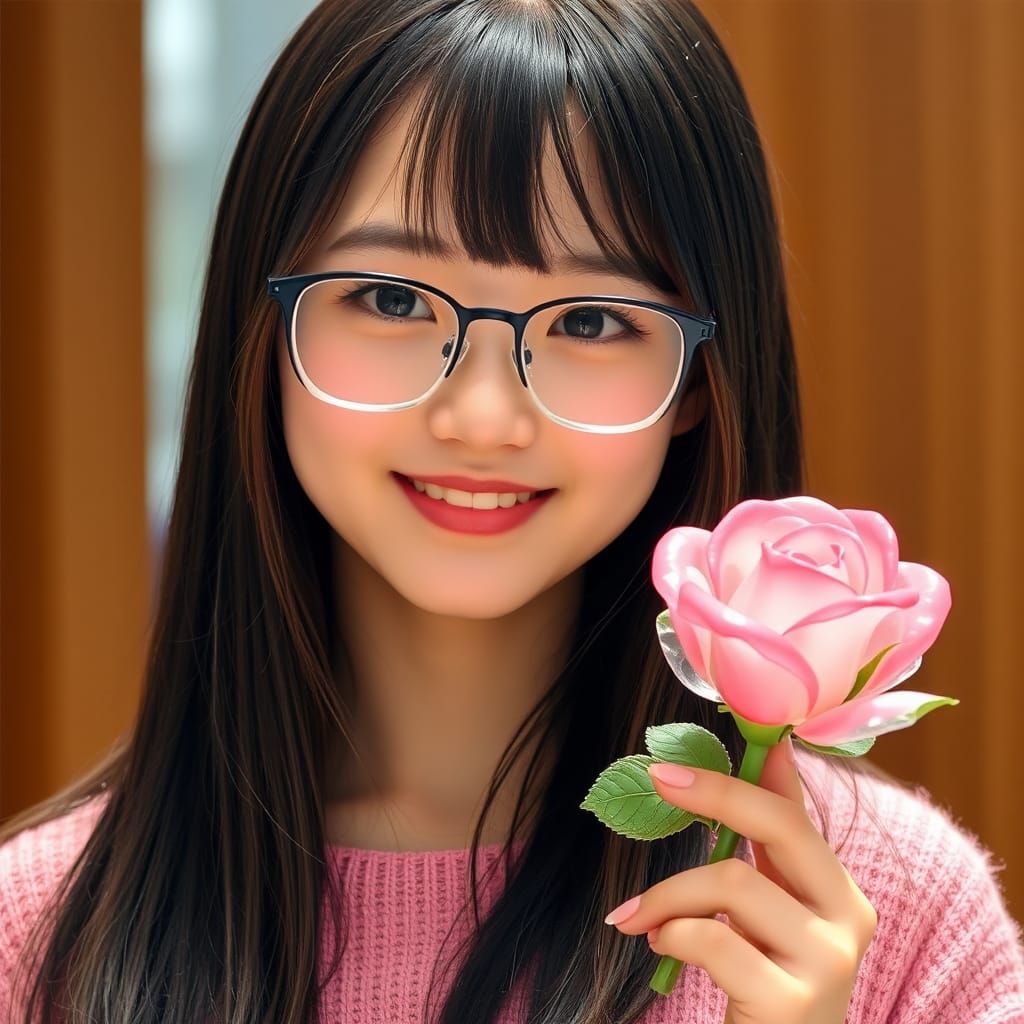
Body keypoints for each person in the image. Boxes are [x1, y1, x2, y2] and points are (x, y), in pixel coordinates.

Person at [2, 1, 1023, 1021]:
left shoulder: (890, 924)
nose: (483, 418)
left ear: (700, 383)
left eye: (592, 319)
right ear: (264, 328)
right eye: (392, 300)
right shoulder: (32, 939)